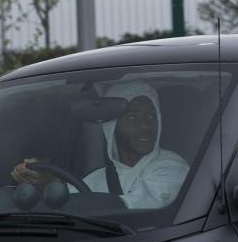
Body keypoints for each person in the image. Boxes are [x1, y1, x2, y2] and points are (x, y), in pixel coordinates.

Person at [11, 81, 189, 209]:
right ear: (112, 126)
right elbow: (69, 203)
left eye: (151, 116)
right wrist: (42, 182)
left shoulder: (172, 168)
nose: (144, 126)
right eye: (132, 117)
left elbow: (135, 205)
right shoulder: (98, 178)